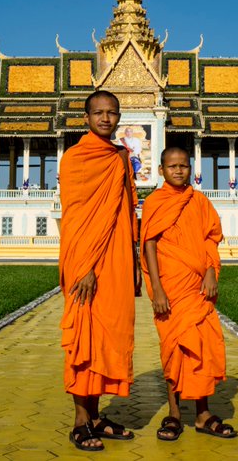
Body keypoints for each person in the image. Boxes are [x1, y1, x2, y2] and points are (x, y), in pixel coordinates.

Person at [58, 89, 138, 451]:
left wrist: (133, 261)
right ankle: (79, 420)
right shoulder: (75, 158)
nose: (106, 118)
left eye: (112, 113)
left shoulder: (121, 158)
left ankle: (96, 415)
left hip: (116, 258)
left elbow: (124, 211)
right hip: (84, 259)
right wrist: (86, 266)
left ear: (119, 117)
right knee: (84, 338)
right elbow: (78, 216)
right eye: (99, 113)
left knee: (110, 336)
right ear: (86, 118)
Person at [141, 146, 238, 441]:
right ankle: (174, 413)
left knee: (202, 349)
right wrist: (156, 288)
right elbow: (149, 246)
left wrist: (210, 271)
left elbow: (211, 239)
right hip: (170, 287)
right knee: (174, 350)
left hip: (197, 286)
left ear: (191, 168)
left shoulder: (199, 202)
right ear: (161, 171)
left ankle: (203, 413)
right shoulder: (155, 202)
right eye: (172, 166)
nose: (179, 170)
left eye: (184, 165)